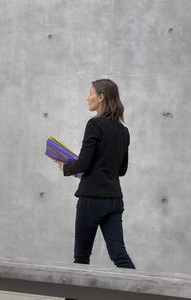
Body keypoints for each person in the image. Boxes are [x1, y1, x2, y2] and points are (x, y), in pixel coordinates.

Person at [55, 79, 135, 300]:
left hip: (91, 199)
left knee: (81, 258)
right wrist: (86, 169)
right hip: (114, 200)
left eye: (90, 93)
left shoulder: (95, 125)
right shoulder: (123, 131)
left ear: (101, 97)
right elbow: (122, 169)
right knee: (119, 255)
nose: (87, 97)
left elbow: (83, 164)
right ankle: (143, 294)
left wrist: (66, 166)